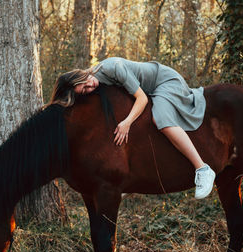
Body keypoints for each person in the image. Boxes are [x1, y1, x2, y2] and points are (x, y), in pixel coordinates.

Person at [48, 57, 215, 199]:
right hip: (151, 90)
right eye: (85, 91)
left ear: (80, 75)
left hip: (165, 81)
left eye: (85, 84)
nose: (90, 88)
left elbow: (141, 98)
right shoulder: (97, 81)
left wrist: (126, 122)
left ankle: (202, 168)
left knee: (160, 120)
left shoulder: (112, 68)